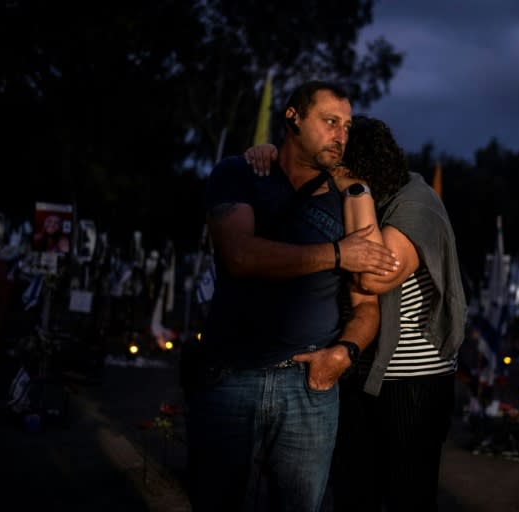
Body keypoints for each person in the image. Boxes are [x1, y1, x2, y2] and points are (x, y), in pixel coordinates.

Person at [184, 82, 399, 512]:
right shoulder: (240, 173)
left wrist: (344, 352)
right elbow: (240, 256)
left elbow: (369, 298)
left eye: (347, 126)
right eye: (330, 121)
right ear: (293, 118)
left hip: (310, 384)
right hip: (231, 374)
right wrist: (337, 253)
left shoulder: (348, 197)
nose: (341, 134)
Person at [245, 115, 468, 511]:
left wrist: (355, 190)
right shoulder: (346, 195)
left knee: (408, 497)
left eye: (333, 165)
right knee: (352, 493)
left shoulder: (414, 203)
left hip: (411, 379)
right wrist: (267, 156)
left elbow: (374, 278)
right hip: (357, 366)